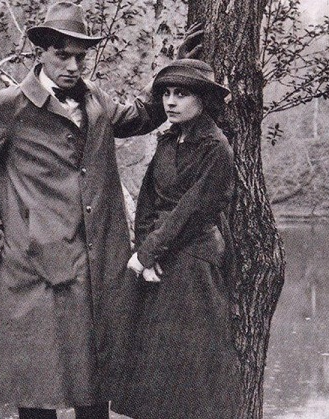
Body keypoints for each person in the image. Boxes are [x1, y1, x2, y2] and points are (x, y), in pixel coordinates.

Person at [0, 2, 202, 418]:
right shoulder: (10, 105)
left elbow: (139, 116)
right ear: (41, 53)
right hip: (34, 264)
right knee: (37, 382)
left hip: (99, 261)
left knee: (95, 380)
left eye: (79, 57)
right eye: (62, 55)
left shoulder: (96, 99)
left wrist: (172, 73)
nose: (72, 66)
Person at [111, 59, 242, 418]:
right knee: (150, 368)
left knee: (187, 375)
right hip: (158, 260)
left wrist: (148, 254)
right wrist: (144, 252)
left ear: (203, 99)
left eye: (181, 94)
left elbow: (193, 211)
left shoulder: (216, 147)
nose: (170, 101)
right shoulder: (169, 139)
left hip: (194, 262)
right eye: (166, 93)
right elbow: (148, 200)